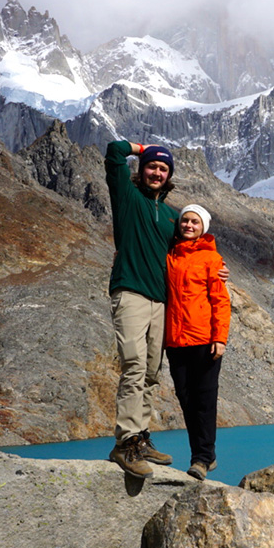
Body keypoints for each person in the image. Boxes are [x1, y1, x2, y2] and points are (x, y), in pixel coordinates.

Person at [105, 140, 179, 478]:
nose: (157, 172)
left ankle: (142, 437)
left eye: (163, 169)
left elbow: (191, 252)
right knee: (133, 366)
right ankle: (125, 443)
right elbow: (114, 153)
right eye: (152, 166)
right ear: (142, 169)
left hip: (160, 300)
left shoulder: (171, 216)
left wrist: (217, 269)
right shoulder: (127, 197)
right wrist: (142, 147)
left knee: (151, 371)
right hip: (130, 292)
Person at [165, 204, 230, 480]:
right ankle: (204, 455)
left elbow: (220, 300)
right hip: (175, 341)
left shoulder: (212, 259)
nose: (188, 225)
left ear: (203, 227)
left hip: (204, 339)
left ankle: (202, 458)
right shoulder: (169, 255)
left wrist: (220, 338)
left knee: (204, 399)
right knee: (186, 398)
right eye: (185, 220)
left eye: (194, 222)